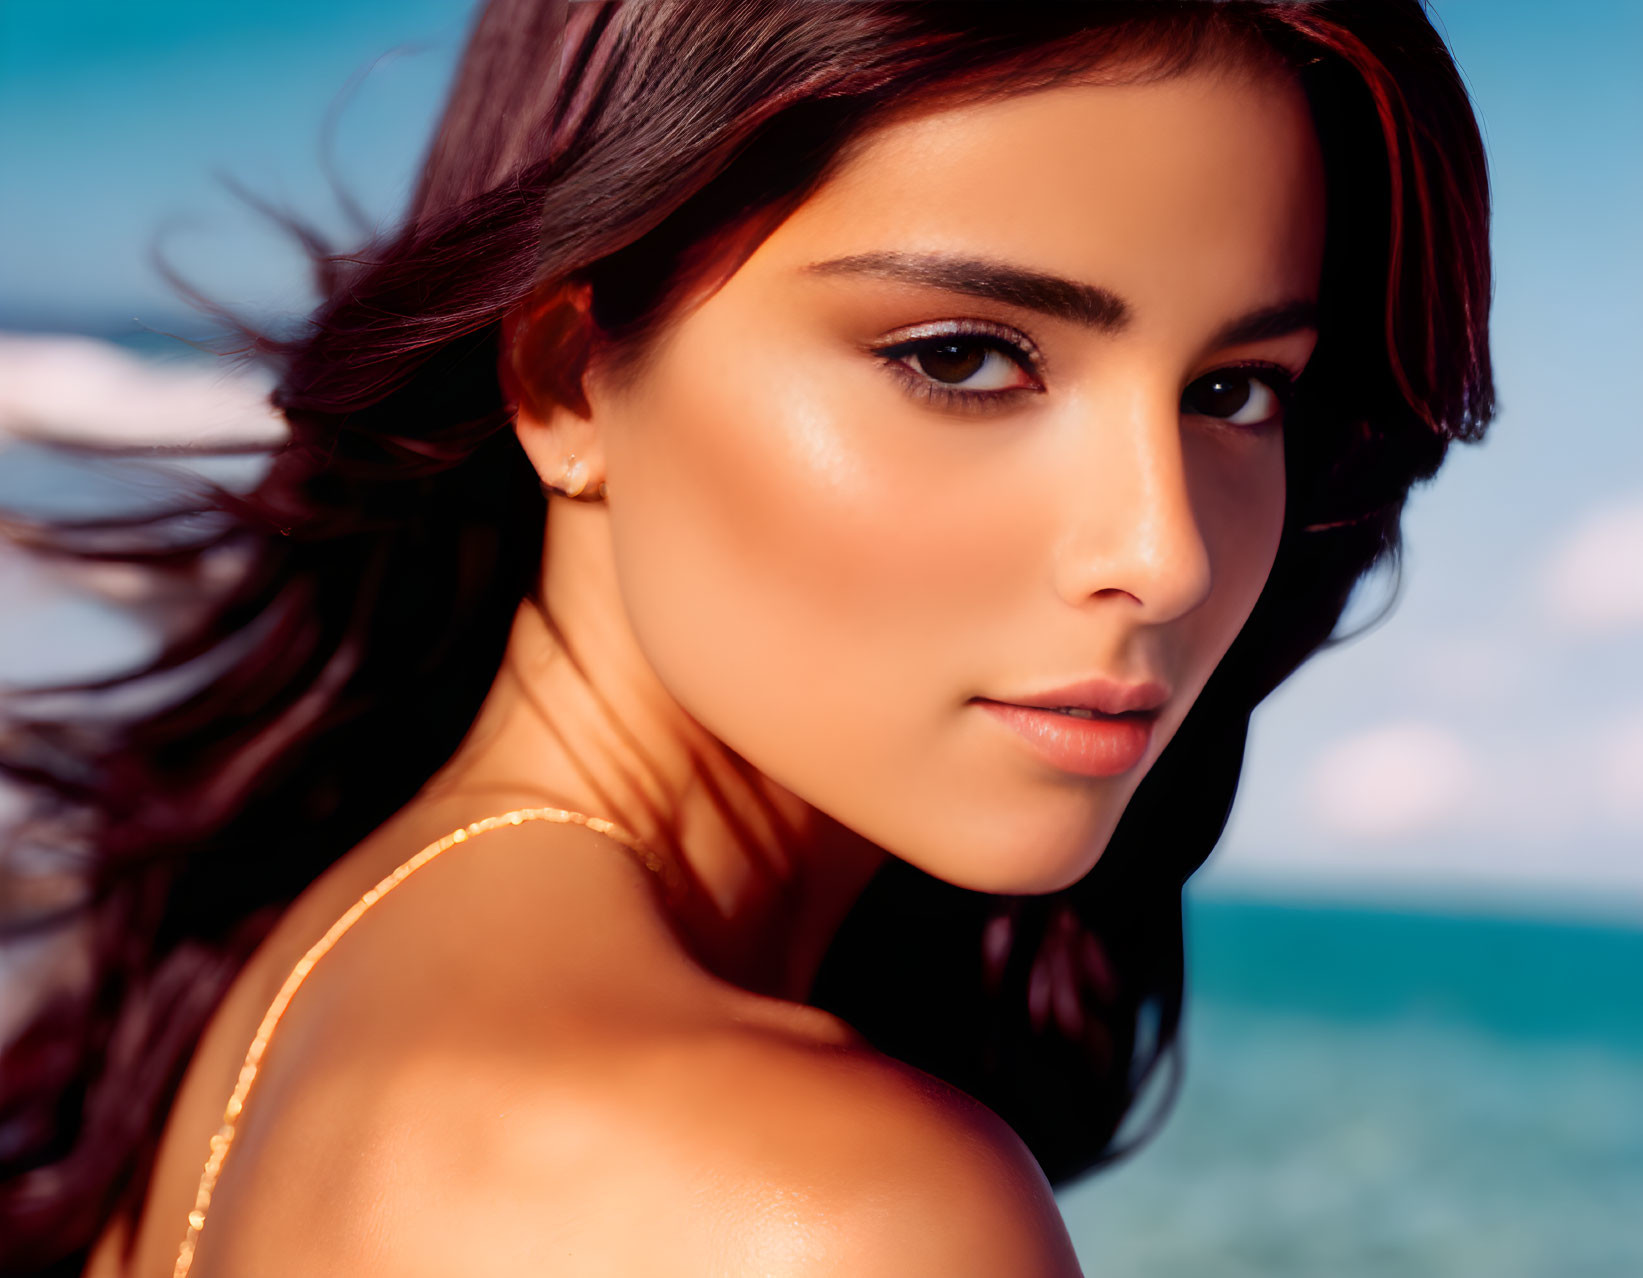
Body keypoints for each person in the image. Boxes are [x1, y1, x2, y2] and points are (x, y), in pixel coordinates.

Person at [0, 1, 1493, 1273]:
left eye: (1235, 390)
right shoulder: (842, 1213)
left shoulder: (291, 976)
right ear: (570, 381)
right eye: (965, 358)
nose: (1163, 553)